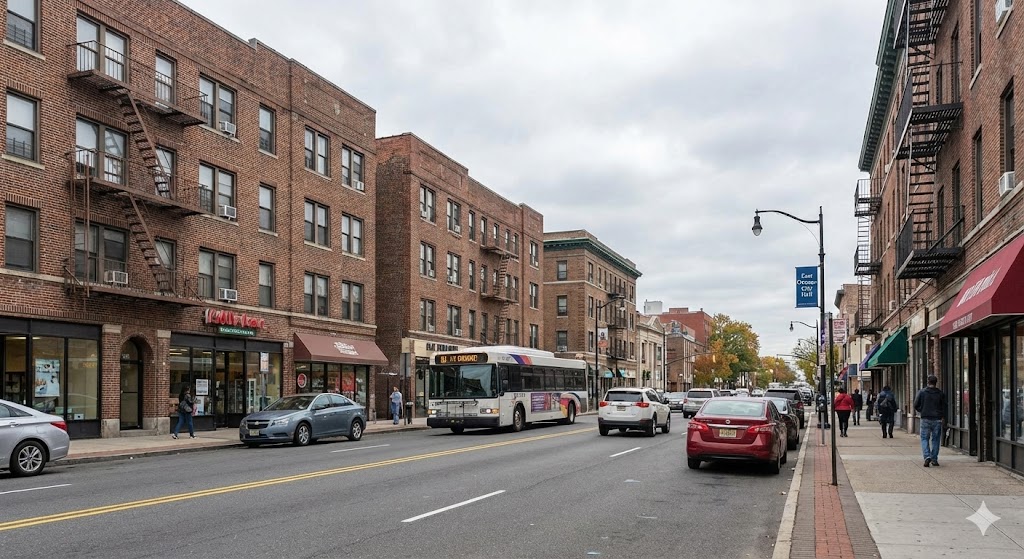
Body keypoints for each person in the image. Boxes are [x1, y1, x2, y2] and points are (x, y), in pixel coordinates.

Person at [914, 375, 947, 467]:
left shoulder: (922, 392)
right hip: (937, 419)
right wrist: (943, 417)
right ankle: (934, 459)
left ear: (928, 382)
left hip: (925, 418)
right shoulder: (940, 393)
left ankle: (927, 456)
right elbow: (944, 407)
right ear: (936, 382)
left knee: (924, 438)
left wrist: (922, 410)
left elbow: (916, 404)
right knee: (936, 439)